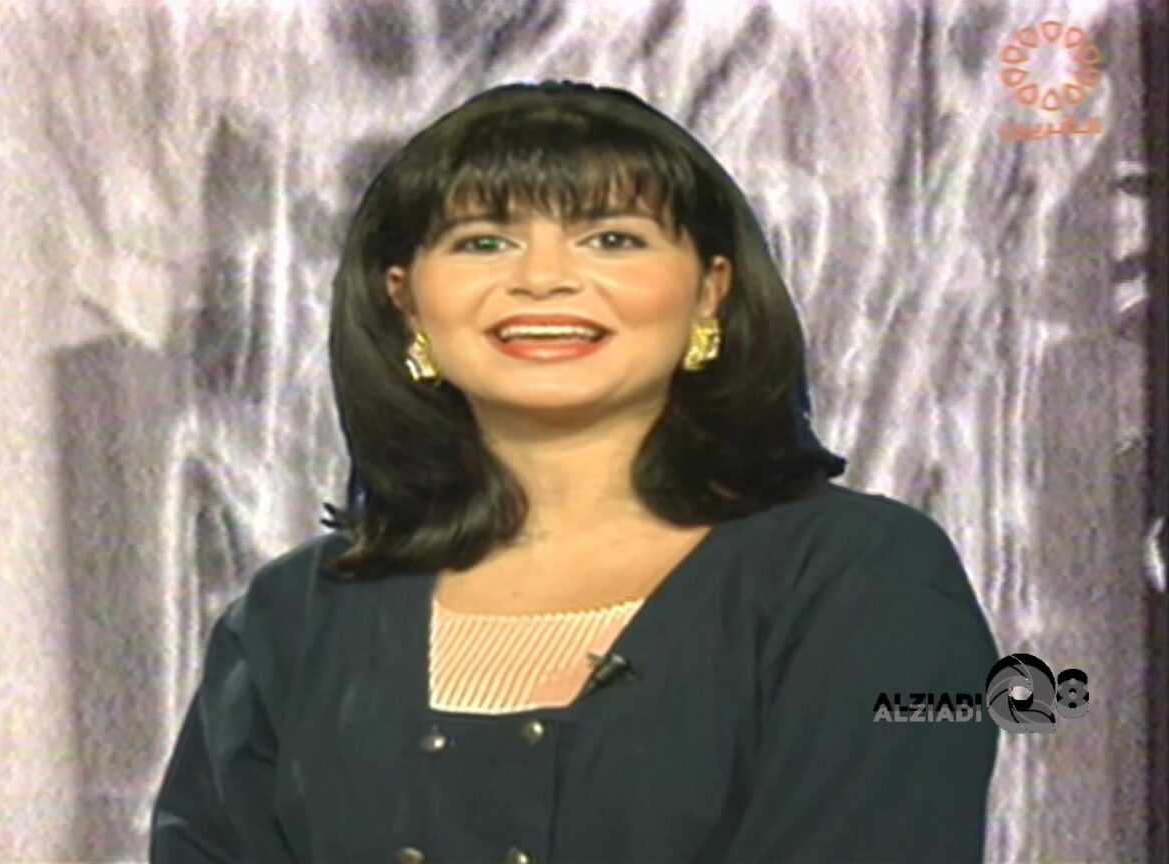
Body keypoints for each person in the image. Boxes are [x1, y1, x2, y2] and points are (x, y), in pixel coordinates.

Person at [148, 80, 1000, 864]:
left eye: (611, 238)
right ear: (405, 300)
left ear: (711, 290)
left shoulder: (861, 578)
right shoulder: (291, 621)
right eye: (484, 241)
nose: (543, 280)